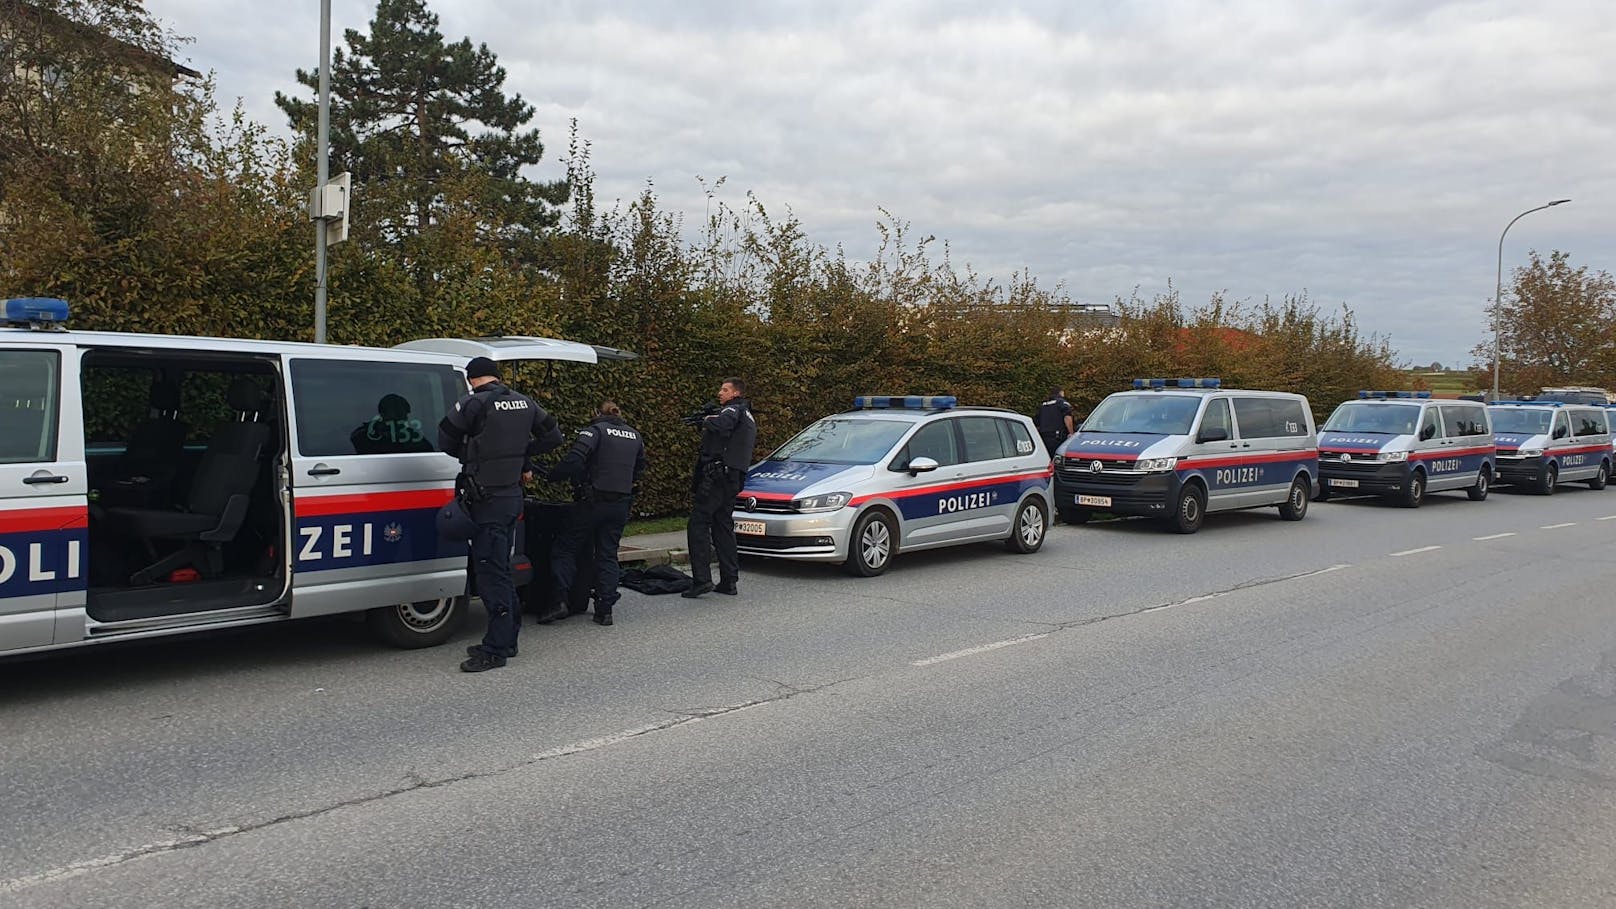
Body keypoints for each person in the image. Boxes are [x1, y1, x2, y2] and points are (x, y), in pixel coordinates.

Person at [438, 356, 562, 672]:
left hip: (486, 501)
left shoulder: (473, 404)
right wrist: (520, 454)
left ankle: (496, 649)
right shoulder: (525, 402)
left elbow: (444, 439)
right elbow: (553, 437)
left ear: (471, 379)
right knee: (501, 568)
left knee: (490, 572)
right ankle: (508, 639)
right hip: (511, 498)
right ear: (496, 376)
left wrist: (473, 454)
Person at [537, 400, 646, 626]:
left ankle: (559, 602)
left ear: (597, 413)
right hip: (620, 504)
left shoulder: (594, 431)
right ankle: (605, 610)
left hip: (592, 502)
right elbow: (639, 469)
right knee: (607, 554)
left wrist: (552, 476)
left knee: (565, 548)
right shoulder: (635, 436)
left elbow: (575, 459)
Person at [683, 377, 756, 598]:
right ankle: (728, 580)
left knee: (698, 523)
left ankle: (702, 580)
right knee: (722, 525)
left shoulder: (733, 410)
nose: (719, 393)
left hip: (717, 476)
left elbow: (723, 424)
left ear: (735, 393)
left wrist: (706, 420)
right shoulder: (747, 415)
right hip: (732, 478)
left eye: (724, 389)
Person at [1036, 387, 1075, 456]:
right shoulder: (1062, 403)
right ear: (1060, 393)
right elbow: (1067, 417)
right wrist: (1071, 433)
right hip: (1058, 437)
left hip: (1044, 437)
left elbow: (1037, 422)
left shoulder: (1043, 405)